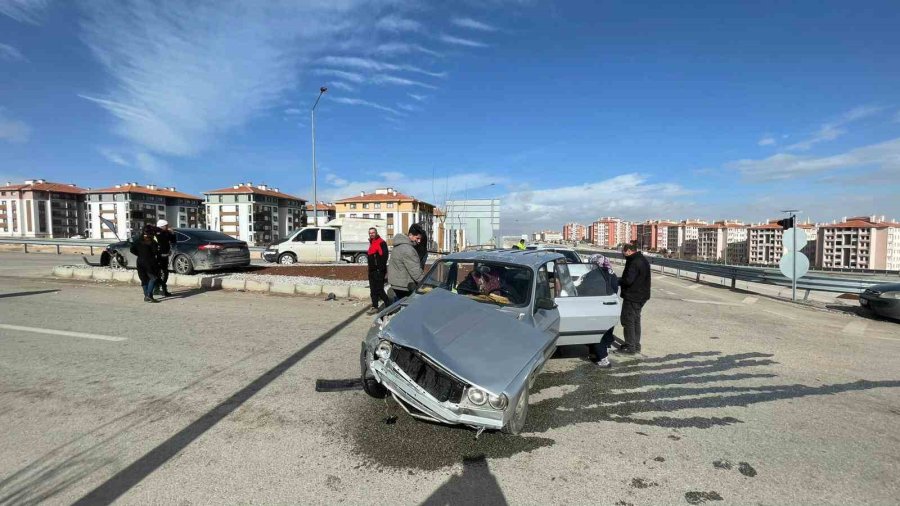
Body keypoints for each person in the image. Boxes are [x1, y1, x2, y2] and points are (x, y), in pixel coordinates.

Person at [582, 254, 620, 368]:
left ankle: (603, 359)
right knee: (607, 331)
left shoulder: (592, 275)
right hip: (610, 307)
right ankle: (599, 353)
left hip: (597, 307)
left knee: (597, 334)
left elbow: (585, 290)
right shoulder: (611, 273)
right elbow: (615, 289)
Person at [615, 242, 651, 355]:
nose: (623, 254)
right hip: (641, 296)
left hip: (633, 296)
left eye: (623, 251)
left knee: (628, 320)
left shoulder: (634, 262)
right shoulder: (641, 259)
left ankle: (630, 347)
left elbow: (628, 280)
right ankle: (635, 345)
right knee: (635, 320)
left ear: (629, 251)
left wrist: (616, 281)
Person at [387, 224, 425, 301]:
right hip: (405, 286)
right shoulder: (408, 249)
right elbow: (415, 271)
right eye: (417, 238)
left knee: (398, 306)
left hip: (397, 283)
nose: (419, 241)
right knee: (407, 309)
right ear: (410, 235)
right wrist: (425, 283)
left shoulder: (398, 245)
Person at [130, 225, 161, 303]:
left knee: (144, 279)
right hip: (150, 262)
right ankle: (149, 295)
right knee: (153, 278)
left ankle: (146, 296)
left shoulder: (138, 240)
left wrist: (140, 254)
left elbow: (132, 250)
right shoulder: (152, 241)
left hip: (140, 261)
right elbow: (155, 252)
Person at [366, 227, 391, 314]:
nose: (371, 234)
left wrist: (380, 269)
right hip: (371, 271)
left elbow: (385, 257)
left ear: (376, 233)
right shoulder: (371, 243)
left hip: (378, 271)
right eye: (370, 233)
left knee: (379, 289)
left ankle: (389, 305)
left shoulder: (381, 242)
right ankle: (375, 306)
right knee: (373, 290)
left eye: (373, 232)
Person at [154, 219, 176, 297]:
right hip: (159, 256)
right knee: (160, 273)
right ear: (162, 226)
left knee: (162, 273)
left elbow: (173, 241)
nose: (168, 227)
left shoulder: (165, 233)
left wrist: (172, 233)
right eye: (166, 226)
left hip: (164, 256)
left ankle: (160, 288)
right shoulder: (158, 233)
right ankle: (160, 289)